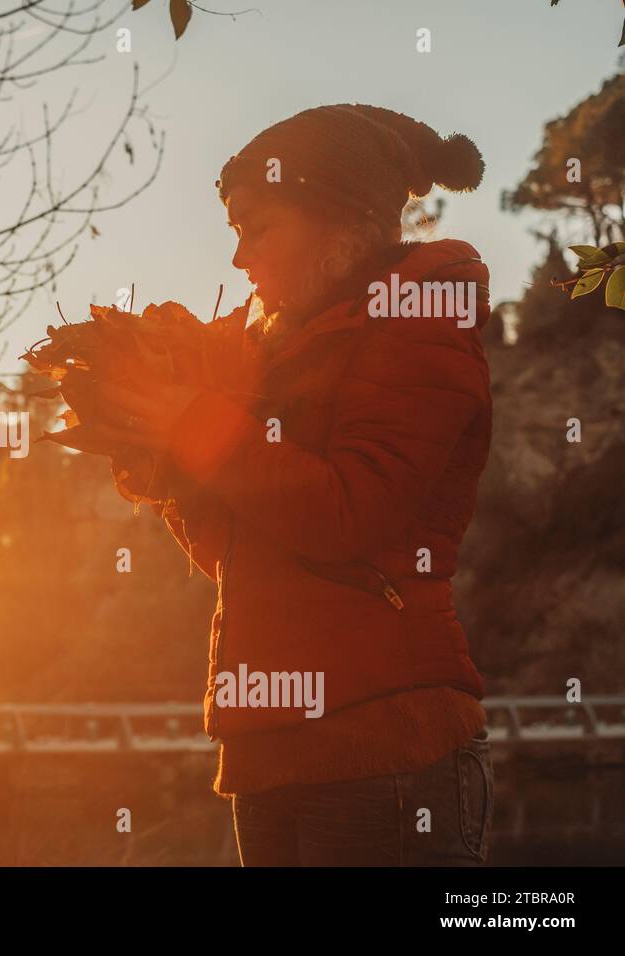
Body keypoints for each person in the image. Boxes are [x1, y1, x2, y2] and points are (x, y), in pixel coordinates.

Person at [93, 104, 495, 865]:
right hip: (268, 750)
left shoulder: (420, 320)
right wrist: (170, 464)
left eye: (258, 228)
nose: (240, 259)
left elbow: (350, 514)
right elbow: (240, 558)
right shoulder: (284, 352)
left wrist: (198, 426)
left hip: (383, 747)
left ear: (336, 221)